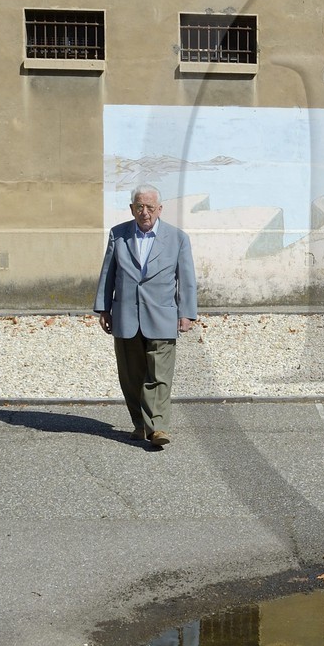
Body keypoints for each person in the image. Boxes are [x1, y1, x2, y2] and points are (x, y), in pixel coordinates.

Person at [94, 184, 197, 448]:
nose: (145, 212)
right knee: (131, 376)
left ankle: (159, 427)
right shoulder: (118, 235)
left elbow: (186, 278)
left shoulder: (178, 238)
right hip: (126, 315)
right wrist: (104, 308)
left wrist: (187, 312)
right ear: (132, 209)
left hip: (162, 315)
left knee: (159, 375)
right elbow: (108, 273)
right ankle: (140, 424)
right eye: (139, 207)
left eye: (150, 207)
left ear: (159, 209)